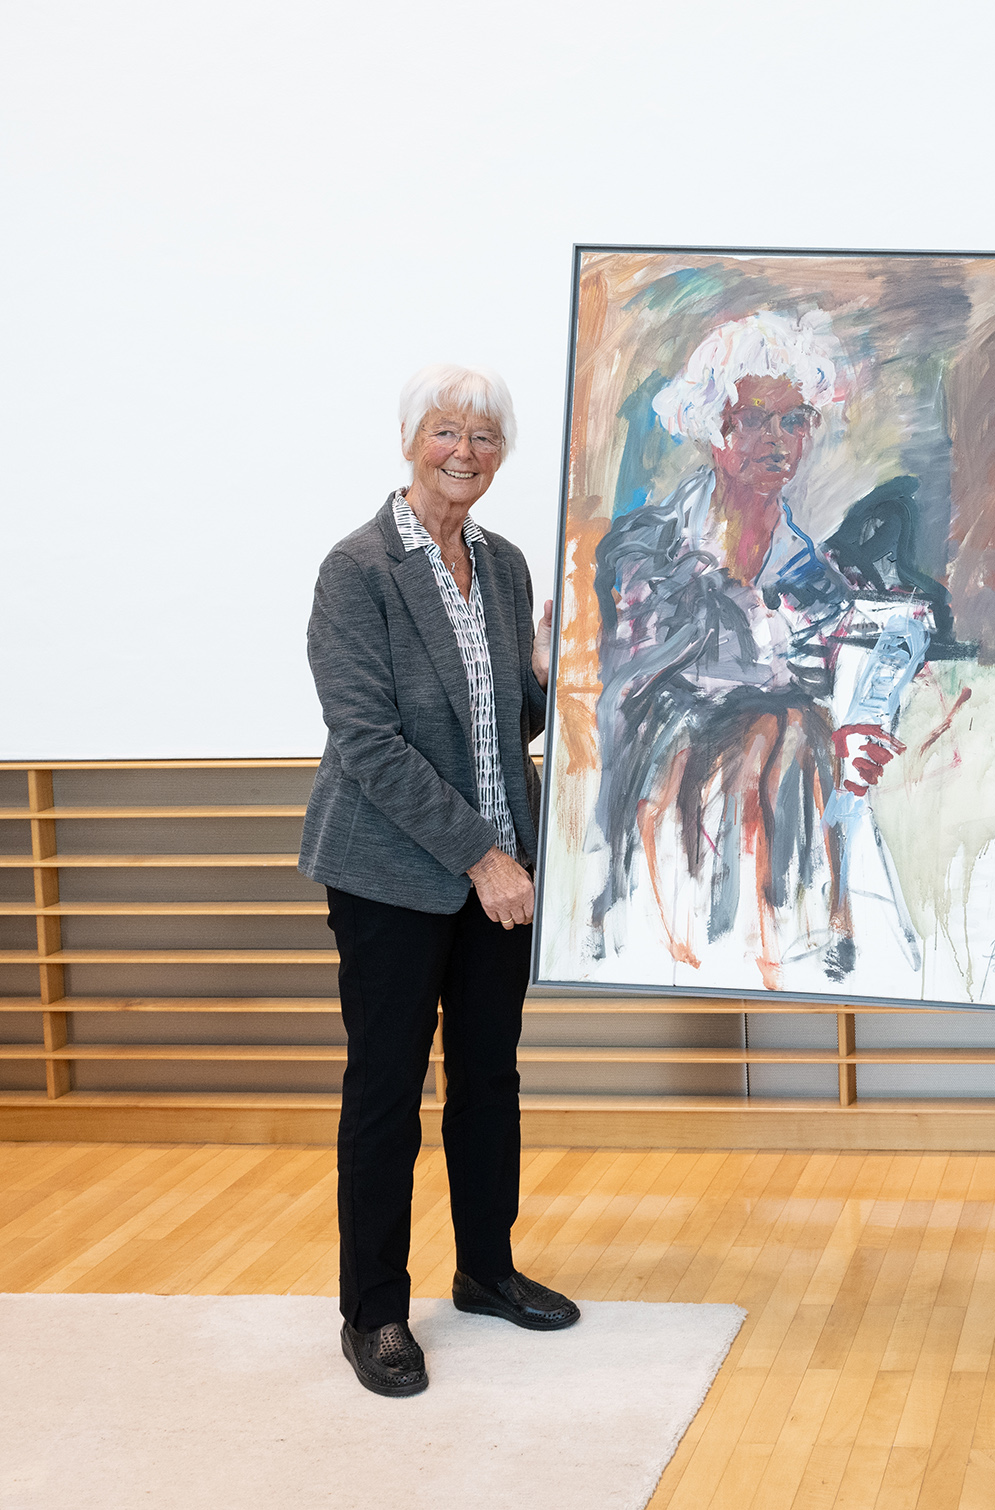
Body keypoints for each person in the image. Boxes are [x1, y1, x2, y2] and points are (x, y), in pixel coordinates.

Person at [300, 363, 579, 1398]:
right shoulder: (357, 568)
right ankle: (372, 1310)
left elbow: (501, 729)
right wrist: (481, 854)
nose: (465, 452)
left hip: (495, 878)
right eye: (447, 432)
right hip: (393, 875)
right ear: (411, 439)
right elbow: (367, 741)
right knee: (384, 1091)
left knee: (488, 1079)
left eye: (485, 438)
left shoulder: (502, 566)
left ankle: (486, 1270)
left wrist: (544, 680)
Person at [588, 309, 957, 986]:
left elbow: (817, 683)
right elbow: (646, 679)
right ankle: (777, 943)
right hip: (662, 784)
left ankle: (811, 948)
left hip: (777, 786)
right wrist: (779, 683)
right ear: (712, 426)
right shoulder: (648, 545)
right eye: (754, 419)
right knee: (778, 728)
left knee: (799, 736)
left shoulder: (815, 575)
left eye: (795, 420)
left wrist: (855, 721)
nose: (776, 439)